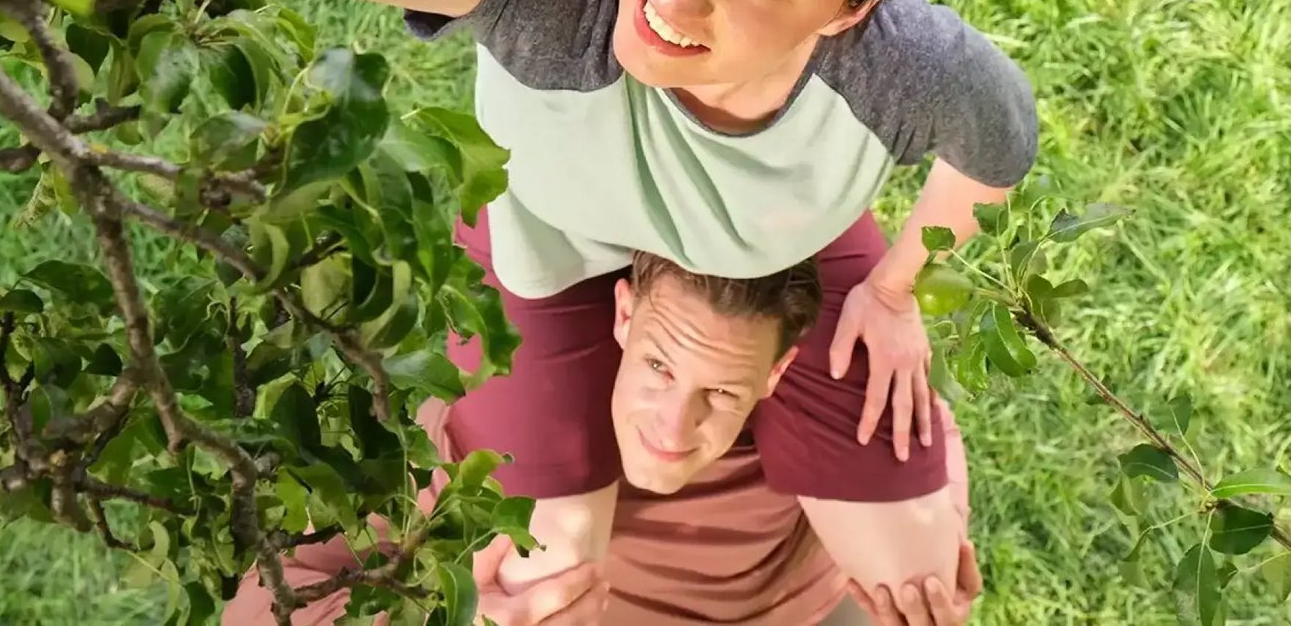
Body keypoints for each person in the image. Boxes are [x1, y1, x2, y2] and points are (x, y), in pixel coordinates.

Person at [0, 0, 1039, 621]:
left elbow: (1000, 141)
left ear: (846, 14)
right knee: (557, 567)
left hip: (780, 245)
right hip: (551, 243)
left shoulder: (900, 65)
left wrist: (898, 291)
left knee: (912, 568)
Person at [222, 247, 977, 625]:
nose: (673, 429)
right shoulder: (496, 454)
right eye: (656, 365)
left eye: (720, 391)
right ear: (621, 316)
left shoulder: (801, 422)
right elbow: (264, 604)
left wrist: (940, 521)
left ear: (777, 371)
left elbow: (926, 428)